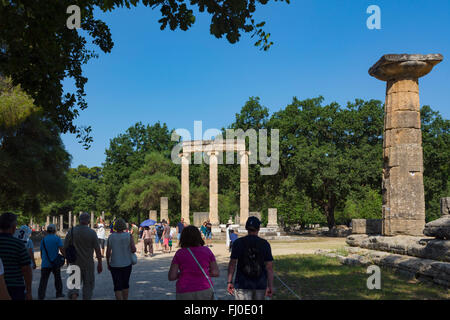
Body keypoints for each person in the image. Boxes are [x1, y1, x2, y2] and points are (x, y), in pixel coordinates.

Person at [227, 216, 274, 300]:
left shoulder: (238, 243)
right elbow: (269, 267)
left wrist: (229, 282)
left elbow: (232, 264)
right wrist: (270, 286)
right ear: (259, 228)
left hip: (242, 283)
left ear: (246, 228)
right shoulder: (265, 244)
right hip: (260, 284)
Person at [168, 226, 219, 300]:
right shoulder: (207, 251)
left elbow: (172, 276)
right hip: (204, 288)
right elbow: (215, 273)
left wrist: (185, 273)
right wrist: (201, 272)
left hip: (184, 289)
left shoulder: (180, 253)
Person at [64, 212, 103, 300]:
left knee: (74, 286)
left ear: (79, 220)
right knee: (88, 286)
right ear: (88, 221)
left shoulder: (72, 231)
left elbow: (65, 247)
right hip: (88, 264)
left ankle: (74, 297)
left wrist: (67, 260)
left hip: (74, 263)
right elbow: (97, 250)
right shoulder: (92, 233)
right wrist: (100, 263)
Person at [0, 212, 33, 300]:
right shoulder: (18, 244)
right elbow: (26, 269)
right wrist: (29, 292)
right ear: (14, 227)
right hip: (15, 287)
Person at [106, 219, 136, 300]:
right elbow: (134, 249)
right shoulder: (128, 236)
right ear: (124, 226)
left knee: (117, 285)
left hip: (115, 264)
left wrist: (108, 263)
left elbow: (108, 252)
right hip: (127, 263)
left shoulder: (111, 237)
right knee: (125, 284)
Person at [38, 224, 65, 300]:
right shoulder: (57, 238)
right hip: (55, 263)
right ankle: (59, 293)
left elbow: (41, 251)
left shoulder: (43, 240)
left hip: (45, 263)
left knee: (43, 280)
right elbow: (62, 249)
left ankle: (41, 295)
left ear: (47, 231)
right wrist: (66, 257)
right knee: (57, 278)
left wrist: (43, 260)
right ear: (55, 230)